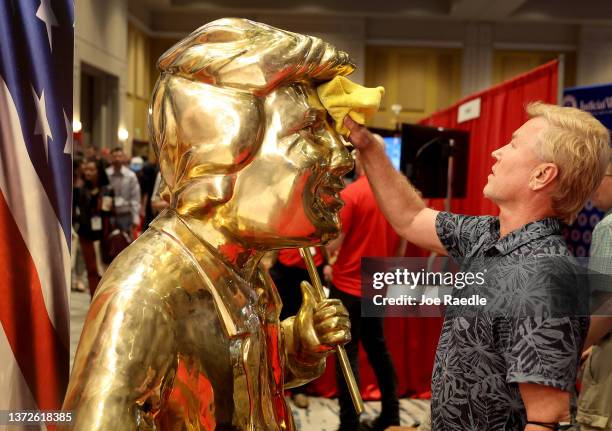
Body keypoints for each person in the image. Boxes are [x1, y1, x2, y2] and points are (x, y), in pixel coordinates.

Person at [62, 18, 356, 430]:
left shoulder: (242, 271)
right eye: (310, 131)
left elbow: (236, 384)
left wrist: (299, 346)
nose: (343, 158)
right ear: (220, 157)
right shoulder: (145, 296)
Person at [343, 103, 610, 431]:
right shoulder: (487, 234)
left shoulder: (545, 277)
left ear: (542, 175)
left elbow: (546, 421)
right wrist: (369, 147)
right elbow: (411, 217)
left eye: (512, 145)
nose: (497, 152)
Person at [326, 146, 405, 431]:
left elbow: (332, 244)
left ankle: (350, 425)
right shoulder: (394, 196)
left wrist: (328, 259)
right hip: (379, 284)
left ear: (359, 158)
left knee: (346, 357)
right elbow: (401, 245)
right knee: (378, 352)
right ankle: (391, 417)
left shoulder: (351, 195)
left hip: (347, 286)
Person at [577, 155, 612, 431]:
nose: (591, 187)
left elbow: (606, 306)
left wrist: (574, 347)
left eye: (599, 177)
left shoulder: (608, 228)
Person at [73, 158, 114, 297]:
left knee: (104, 271)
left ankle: (103, 300)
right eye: (86, 169)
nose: (88, 172)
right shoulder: (80, 190)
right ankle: (93, 300)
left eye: (92, 169)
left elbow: (108, 212)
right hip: (86, 234)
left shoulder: (107, 190)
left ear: (99, 172)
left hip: (103, 236)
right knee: (91, 270)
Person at [106, 147, 141, 238]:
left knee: (125, 244)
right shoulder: (106, 174)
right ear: (110, 158)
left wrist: (135, 219)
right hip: (109, 215)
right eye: (114, 156)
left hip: (125, 215)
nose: (117, 159)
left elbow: (135, 198)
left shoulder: (131, 175)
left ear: (124, 158)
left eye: (120, 156)